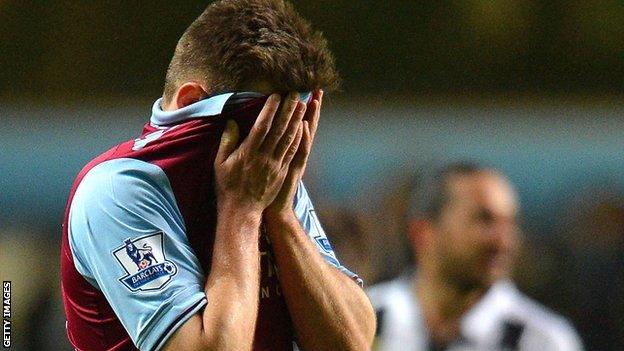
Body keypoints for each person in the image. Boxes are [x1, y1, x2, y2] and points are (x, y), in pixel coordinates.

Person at [60, 1, 376, 350]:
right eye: (265, 127)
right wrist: (242, 211)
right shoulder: (118, 192)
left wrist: (282, 215)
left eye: (289, 127)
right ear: (190, 102)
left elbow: (352, 343)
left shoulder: (261, 175)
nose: (273, 150)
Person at [367, 162, 583, 351]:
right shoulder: (362, 320)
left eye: (510, 223)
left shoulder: (542, 341)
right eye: (484, 220)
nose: (504, 241)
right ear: (423, 233)